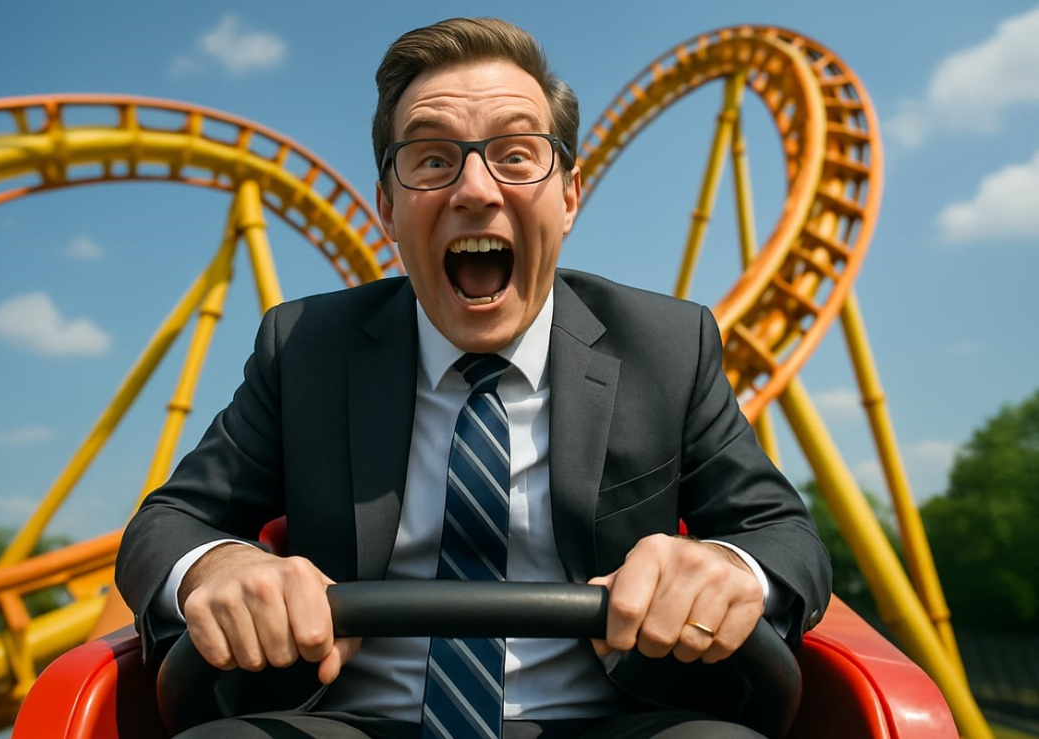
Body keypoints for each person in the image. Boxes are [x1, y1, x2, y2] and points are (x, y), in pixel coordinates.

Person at [115, 17, 831, 739]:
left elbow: (780, 532)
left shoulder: (666, 345)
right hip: (354, 719)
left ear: (569, 195)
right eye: (431, 161)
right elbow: (168, 523)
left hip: (606, 720)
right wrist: (224, 567)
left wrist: (720, 566)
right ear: (387, 209)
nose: (475, 189)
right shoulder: (303, 346)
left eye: (517, 156)